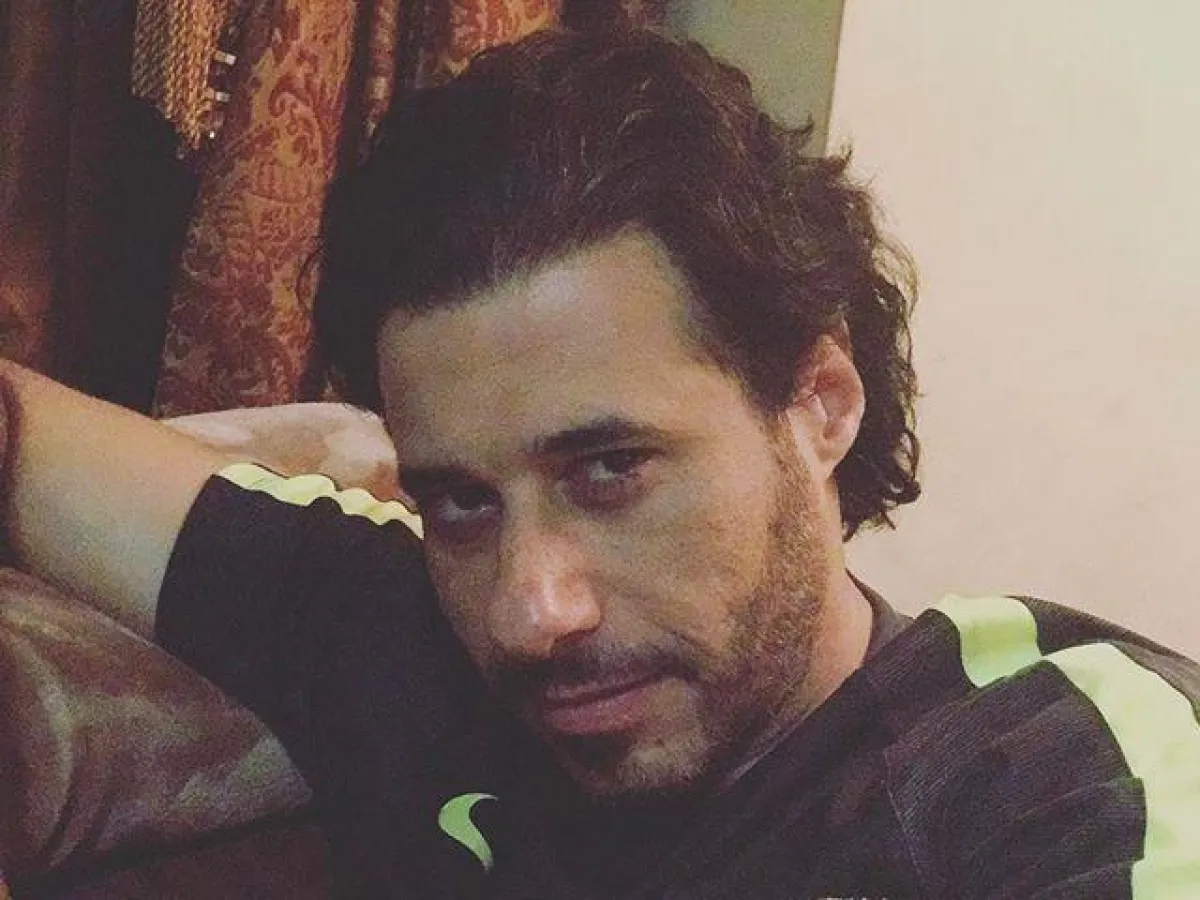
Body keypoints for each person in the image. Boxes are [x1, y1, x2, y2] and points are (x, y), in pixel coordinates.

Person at [2, 25, 1198, 899]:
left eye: (612, 469)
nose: (531, 612)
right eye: (462, 500)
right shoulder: (408, 643)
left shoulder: (1057, 775)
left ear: (820, 403)